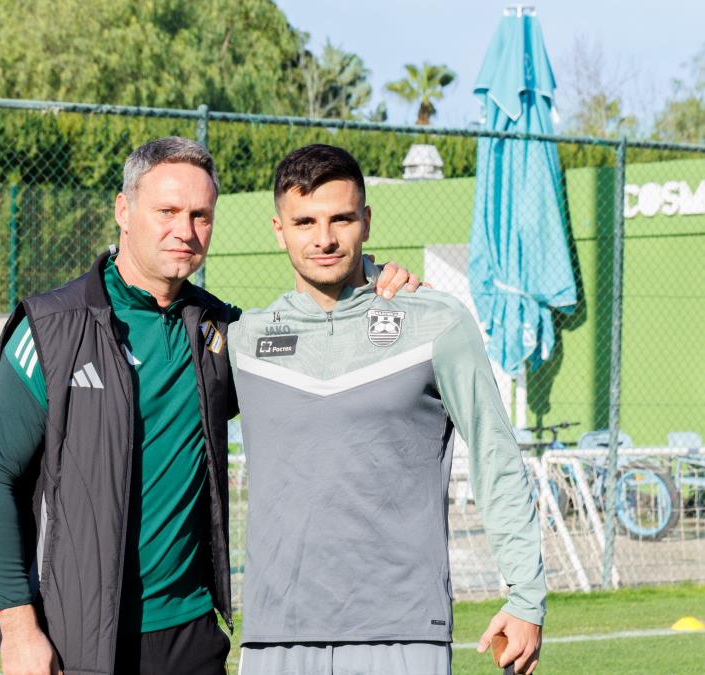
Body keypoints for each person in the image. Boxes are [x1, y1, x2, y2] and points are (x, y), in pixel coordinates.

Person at [0, 136, 417, 675]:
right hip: (80, 637)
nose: (185, 230)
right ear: (124, 210)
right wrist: (18, 629)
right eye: (167, 211)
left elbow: (322, 351)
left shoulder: (225, 333)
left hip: (193, 635)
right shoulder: (51, 329)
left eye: (200, 215)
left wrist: (371, 284)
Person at [228, 144, 545, 675]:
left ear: (367, 221)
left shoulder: (435, 322)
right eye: (305, 222)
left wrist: (526, 595)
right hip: (274, 635)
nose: (324, 238)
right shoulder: (244, 339)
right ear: (279, 230)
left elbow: (495, 455)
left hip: (403, 632)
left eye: (341, 219)